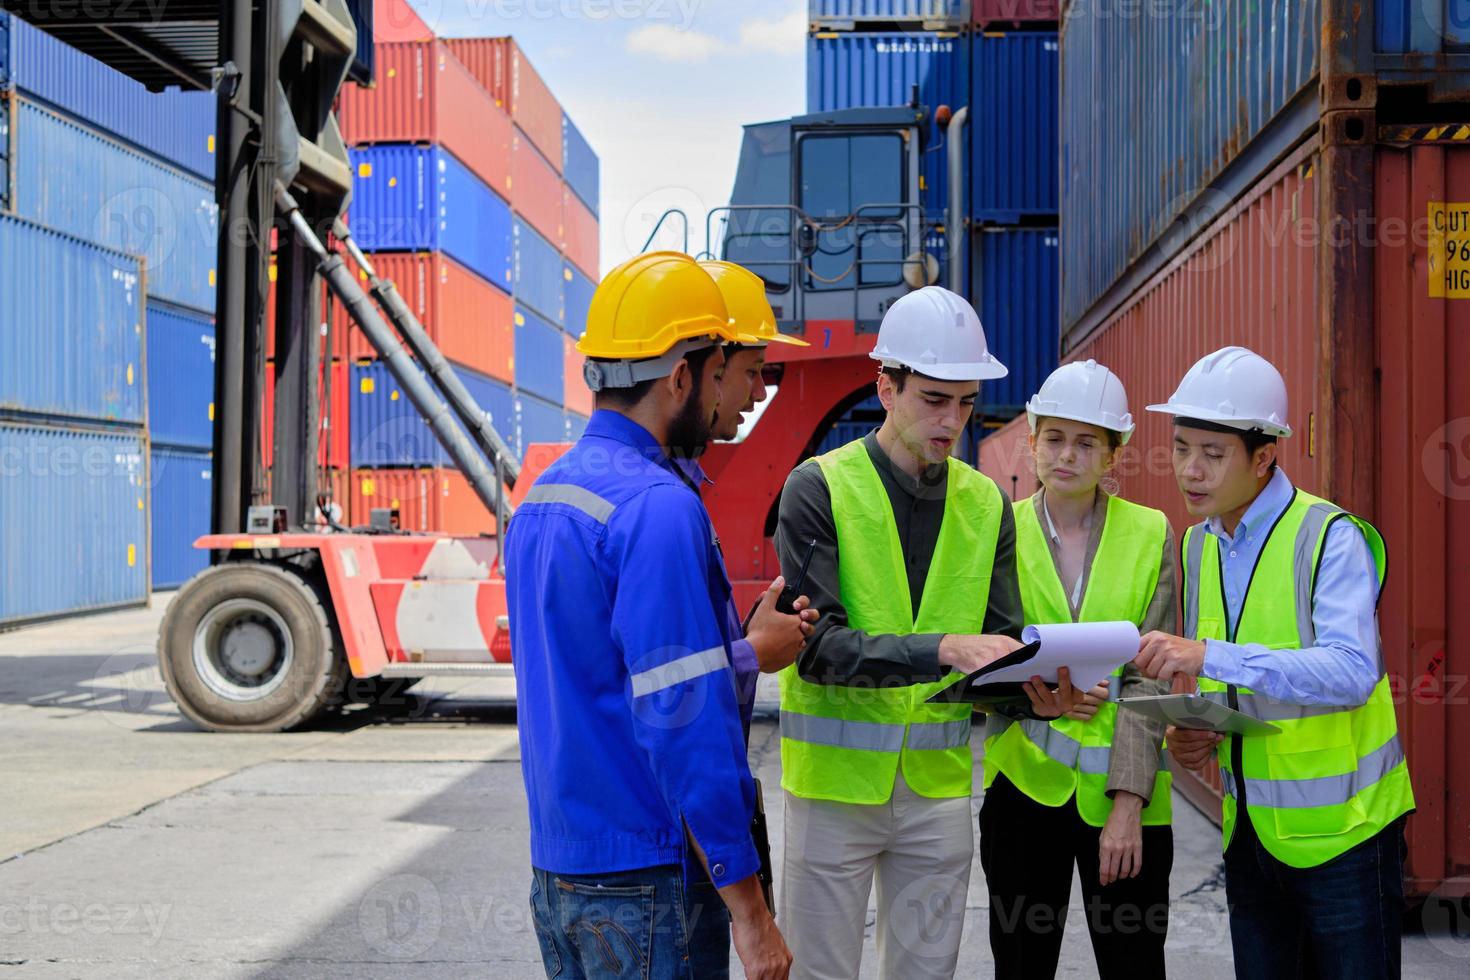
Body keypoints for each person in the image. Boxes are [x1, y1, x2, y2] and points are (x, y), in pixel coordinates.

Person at [773, 285, 1082, 980]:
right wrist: (942, 648)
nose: (953, 421)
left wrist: (1035, 695)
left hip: (938, 792)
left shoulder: (985, 503)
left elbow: (997, 647)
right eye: (934, 399)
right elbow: (817, 650)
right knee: (819, 973)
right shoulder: (816, 489)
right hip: (832, 789)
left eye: (966, 402)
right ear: (886, 386)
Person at [505, 252, 792, 980]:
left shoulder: (543, 497)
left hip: (564, 867)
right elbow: (684, 717)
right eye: (732, 367)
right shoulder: (656, 506)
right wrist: (752, 914)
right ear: (682, 376)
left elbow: (600, 682)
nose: (747, 388)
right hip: (649, 876)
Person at [1133, 346, 1415, 980]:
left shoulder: (1330, 537)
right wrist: (1196, 730)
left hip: (1346, 837)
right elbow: (1232, 682)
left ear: (1264, 458)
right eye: (1181, 448)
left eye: (1212, 453)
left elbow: (1350, 672)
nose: (1189, 470)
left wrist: (1211, 656)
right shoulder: (1197, 543)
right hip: (1250, 835)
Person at [979, 360, 1176, 979]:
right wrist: (1039, 689)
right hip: (1023, 790)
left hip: (1126, 797)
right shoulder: (996, 532)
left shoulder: (1151, 533)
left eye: (1087, 441)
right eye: (1055, 438)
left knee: (1134, 965)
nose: (1068, 455)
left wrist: (1127, 804)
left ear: (1113, 452)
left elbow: (1152, 677)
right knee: (1020, 964)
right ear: (1031, 439)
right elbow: (981, 654)